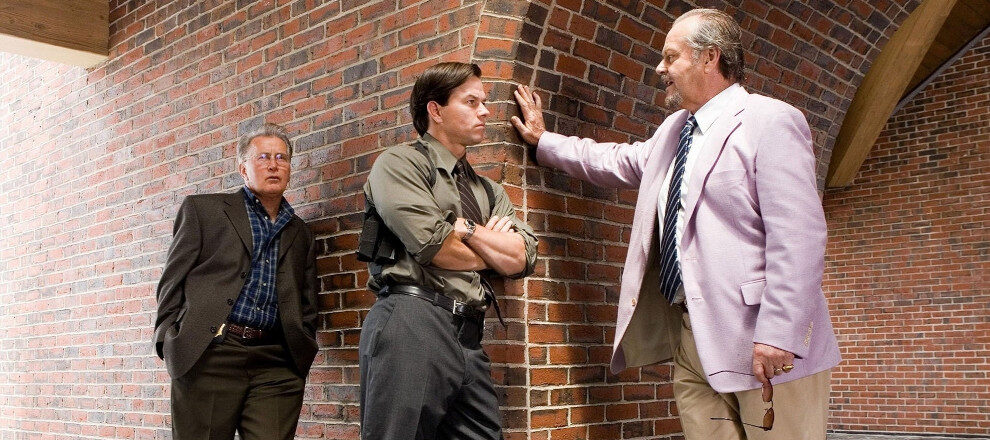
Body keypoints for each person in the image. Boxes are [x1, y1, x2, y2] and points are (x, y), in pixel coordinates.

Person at [512, 8, 840, 440]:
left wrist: (780, 333)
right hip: (693, 338)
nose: (659, 68)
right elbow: (618, 161)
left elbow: (798, 239)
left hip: (763, 341)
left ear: (709, 57)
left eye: (671, 57)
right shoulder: (674, 131)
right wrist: (544, 141)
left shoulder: (771, 121)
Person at [358, 62, 538, 440]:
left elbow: (521, 258)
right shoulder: (400, 164)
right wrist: (491, 250)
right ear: (435, 111)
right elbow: (436, 248)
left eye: (484, 102)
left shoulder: (488, 191)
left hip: (469, 334)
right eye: (471, 102)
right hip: (413, 320)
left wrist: (467, 230)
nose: (485, 111)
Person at [153, 122, 319, 440]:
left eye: (282, 158)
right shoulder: (204, 211)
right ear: (243, 168)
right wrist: (167, 338)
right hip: (211, 354)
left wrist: (302, 343)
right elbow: (172, 281)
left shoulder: (301, 232)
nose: (274, 164)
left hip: (276, 363)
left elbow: (307, 298)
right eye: (263, 157)